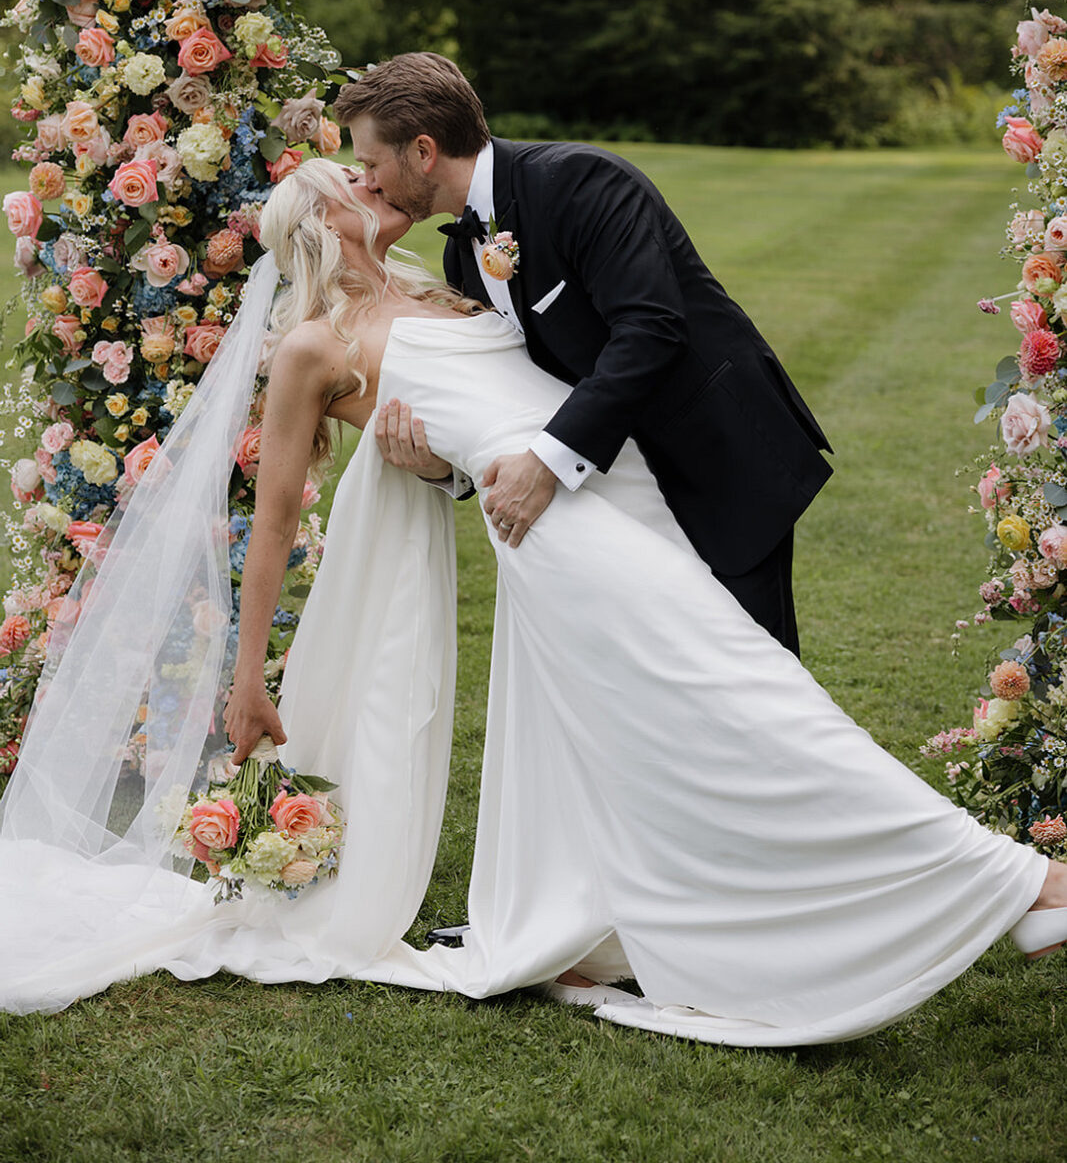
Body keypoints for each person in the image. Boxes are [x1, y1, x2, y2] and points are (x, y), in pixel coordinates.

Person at [2, 158, 1066, 1039]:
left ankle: (610, 928)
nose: (372, 182)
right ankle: (1011, 884)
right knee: (750, 698)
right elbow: (276, 517)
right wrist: (247, 679)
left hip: (615, 510)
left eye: (371, 168)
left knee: (689, 717)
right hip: (561, 547)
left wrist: (442, 463)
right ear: (319, 223)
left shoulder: (451, 286)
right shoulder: (310, 348)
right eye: (348, 181)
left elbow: (506, 413)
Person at [334, 53, 831, 659]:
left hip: (718, 452)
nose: (368, 183)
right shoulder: (462, 259)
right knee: (669, 674)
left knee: (756, 672)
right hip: (623, 493)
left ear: (422, 150)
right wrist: (445, 470)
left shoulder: (581, 182)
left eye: (370, 163)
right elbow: (508, 390)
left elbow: (651, 329)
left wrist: (544, 464)